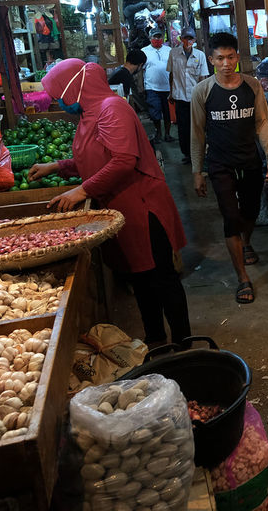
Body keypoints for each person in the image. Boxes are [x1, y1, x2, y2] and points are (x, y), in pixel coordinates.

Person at [31, 59, 191, 345]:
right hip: (121, 208)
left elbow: (123, 161)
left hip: (143, 208)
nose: (59, 102)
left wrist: (82, 191)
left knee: (161, 278)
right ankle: (155, 341)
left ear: (75, 89)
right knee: (140, 280)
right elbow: (94, 158)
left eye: (59, 95)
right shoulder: (89, 114)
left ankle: (183, 342)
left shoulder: (111, 109)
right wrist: (58, 166)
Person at [190, 32, 268, 305]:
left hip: (249, 160)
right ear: (211, 60)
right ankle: (242, 277)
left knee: (250, 212)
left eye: (230, 57)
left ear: (237, 57)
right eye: (220, 58)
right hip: (220, 164)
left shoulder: (251, 87)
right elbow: (197, 133)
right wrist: (197, 172)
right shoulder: (202, 91)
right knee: (230, 217)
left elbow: (262, 122)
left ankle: (247, 241)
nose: (226, 63)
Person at [168, 29, 210, 166]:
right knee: (183, 127)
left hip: (196, 97)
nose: (188, 41)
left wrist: (204, 97)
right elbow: (171, 74)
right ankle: (187, 154)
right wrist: (170, 92)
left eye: (190, 38)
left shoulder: (200, 55)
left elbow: (203, 77)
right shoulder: (173, 53)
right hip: (179, 96)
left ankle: (200, 153)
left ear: (194, 40)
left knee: (198, 126)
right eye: (185, 38)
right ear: (181, 39)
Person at [141, 30, 173, 142]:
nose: (157, 39)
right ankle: (158, 133)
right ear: (150, 38)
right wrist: (142, 87)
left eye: (160, 37)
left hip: (168, 87)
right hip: (151, 87)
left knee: (168, 112)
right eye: (155, 37)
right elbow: (141, 70)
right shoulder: (144, 51)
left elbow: (173, 69)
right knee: (155, 111)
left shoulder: (169, 50)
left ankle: (168, 134)